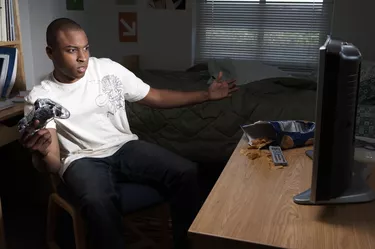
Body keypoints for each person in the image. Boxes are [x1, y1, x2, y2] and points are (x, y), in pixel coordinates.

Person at [19, 18, 237, 249]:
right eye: (71, 50)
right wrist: (41, 154)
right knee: (98, 200)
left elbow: (156, 96)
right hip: (81, 159)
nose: (83, 57)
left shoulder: (107, 69)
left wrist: (206, 95)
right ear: (50, 52)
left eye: (86, 48)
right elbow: (52, 164)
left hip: (124, 146)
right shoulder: (40, 98)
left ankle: (185, 244)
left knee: (187, 172)